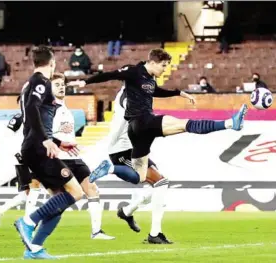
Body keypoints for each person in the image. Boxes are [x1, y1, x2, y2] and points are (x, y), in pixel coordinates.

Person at [69, 48, 248, 185]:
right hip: (144, 122)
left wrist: (179, 93)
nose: (164, 70)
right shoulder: (134, 72)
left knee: (139, 177)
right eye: (163, 66)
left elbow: (157, 92)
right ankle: (230, 123)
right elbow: (110, 75)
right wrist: (85, 81)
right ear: (153, 62)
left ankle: (111, 169)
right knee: (187, 125)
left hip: (136, 130)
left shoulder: (149, 80)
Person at [0, 73, 114, 240]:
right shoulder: (46, 108)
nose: (61, 87)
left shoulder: (65, 109)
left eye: (63, 84)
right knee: (56, 200)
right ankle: (31, 228)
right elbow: (39, 131)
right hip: (55, 158)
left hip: (73, 158)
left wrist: (70, 143)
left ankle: (96, 231)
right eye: (57, 84)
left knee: (91, 189)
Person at [13, 45, 84, 260]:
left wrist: (58, 142)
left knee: (59, 201)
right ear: (52, 63)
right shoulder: (41, 82)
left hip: (35, 145)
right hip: (37, 147)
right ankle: (27, 222)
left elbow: (34, 120)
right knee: (76, 192)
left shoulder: (31, 85)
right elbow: (33, 110)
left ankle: (34, 248)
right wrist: (46, 140)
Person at [89, 84, 173, 244]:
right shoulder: (130, 98)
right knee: (161, 183)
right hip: (123, 150)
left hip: (130, 147)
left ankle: (127, 211)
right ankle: (155, 234)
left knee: (158, 187)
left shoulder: (128, 93)